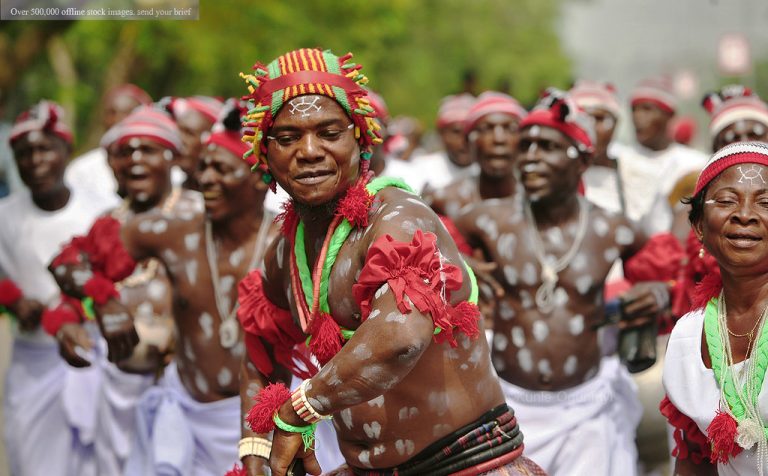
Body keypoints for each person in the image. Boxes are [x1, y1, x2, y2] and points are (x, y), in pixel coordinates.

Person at [235, 47, 543, 476]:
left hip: (467, 465)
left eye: (328, 133)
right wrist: (256, 440)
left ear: (359, 140)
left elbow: (399, 338)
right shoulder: (286, 250)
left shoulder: (397, 218)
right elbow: (260, 344)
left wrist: (298, 410)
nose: (308, 151)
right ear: (264, 155)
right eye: (287, 138)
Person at [454, 89, 680, 475]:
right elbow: (432, 256)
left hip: (587, 410)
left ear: (581, 160)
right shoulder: (487, 221)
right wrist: (464, 268)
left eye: (547, 147)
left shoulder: (612, 229)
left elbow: (669, 278)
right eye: (525, 147)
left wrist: (658, 294)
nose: (530, 159)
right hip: (505, 406)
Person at [49, 101, 276, 476]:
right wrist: (103, 301)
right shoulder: (175, 232)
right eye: (202, 166)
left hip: (260, 423)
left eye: (221, 168)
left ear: (257, 178)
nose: (205, 179)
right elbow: (66, 261)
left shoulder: (285, 243)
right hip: (184, 419)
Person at [50, 105, 179, 475]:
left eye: (148, 149)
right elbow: (66, 271)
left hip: (186, 391)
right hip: (119, 390)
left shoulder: (195, 217)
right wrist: (73, 319)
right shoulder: (108, 225)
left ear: (172, 156)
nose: (135, 160)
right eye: (125, 152)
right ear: (113, 165)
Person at [0, 101, 112, 475]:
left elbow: (121, 280)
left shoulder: (100, 211)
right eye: (24, 153)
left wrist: (75, 313)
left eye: (45, 148)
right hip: (32, 362)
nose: (35, 160)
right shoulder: (5, 216)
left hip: (95, 352)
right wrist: (14, 301)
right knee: (32, 459)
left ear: (67, 150)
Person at [661, 141, 768, 475]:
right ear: (699, 228)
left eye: (765, 203)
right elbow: (694, 458)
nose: (745, 215)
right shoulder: (687, 336)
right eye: (726, 201)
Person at [621, 77, 707, 234]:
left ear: (669, 115)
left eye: (647, 109)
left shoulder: (694, 163)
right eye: (634, 110)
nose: (638, 117)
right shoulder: (618, 160)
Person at [422, 91, 527, 219]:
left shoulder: (538, 201)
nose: (498, 139)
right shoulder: (443, 202)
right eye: (486, 129)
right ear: (468, 141)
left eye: (510, 128)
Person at [65, 83, 153, 208]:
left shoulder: (160, 166)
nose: (117, 120)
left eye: (127, 113)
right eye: (111, 113)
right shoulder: (82, 170)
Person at [166, 95, 224, 191]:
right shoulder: (167, 188)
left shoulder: (226, 197)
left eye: (189, 133)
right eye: (178, 131)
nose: (179, 140)